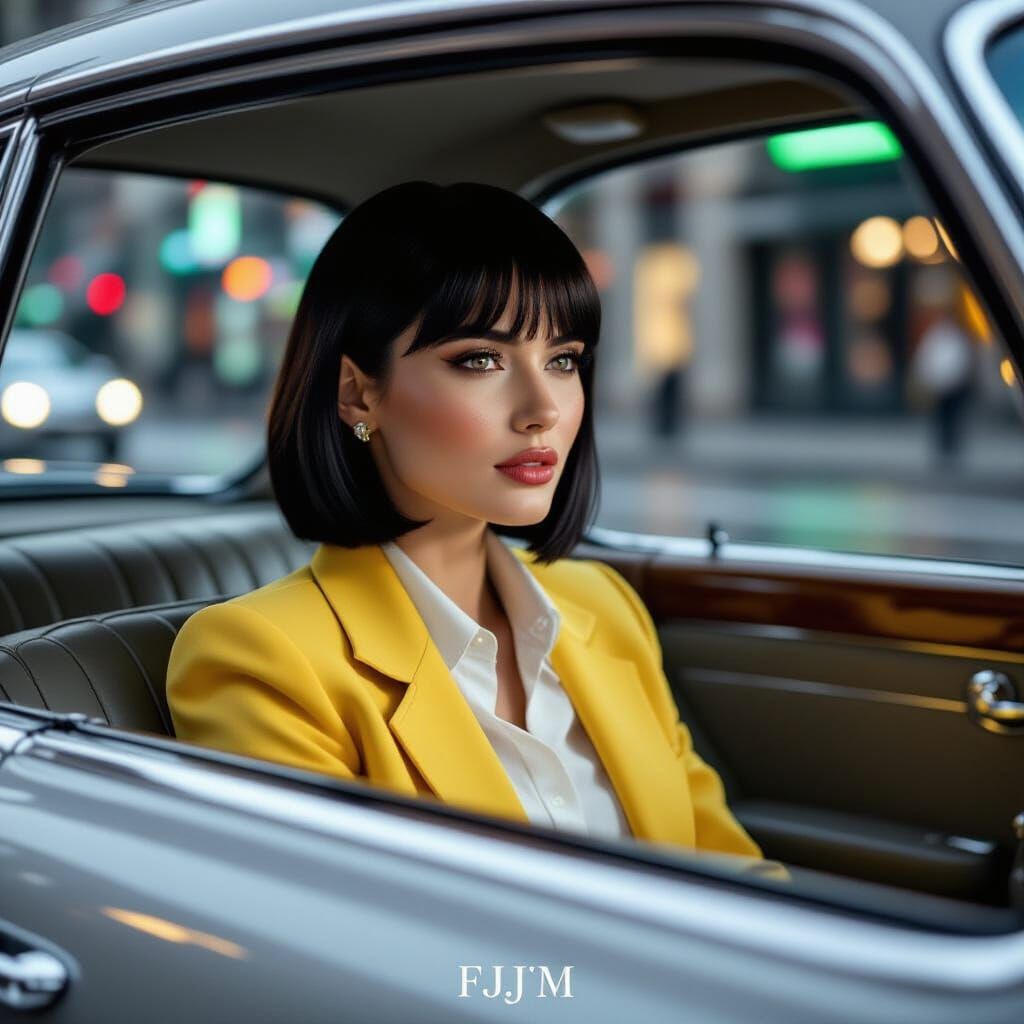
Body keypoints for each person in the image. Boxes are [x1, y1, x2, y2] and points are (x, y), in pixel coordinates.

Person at [166, 180, 777, 870]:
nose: (542, 407)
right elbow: (341, 950)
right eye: (480, 360)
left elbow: (735, 876)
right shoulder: (261, 657)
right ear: (357, 392)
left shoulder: (606, 607)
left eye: (564, 359)